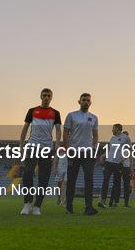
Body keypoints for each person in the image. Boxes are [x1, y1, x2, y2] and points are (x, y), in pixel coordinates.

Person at [19, 88, 61, 216]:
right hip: (32, 146)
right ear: (40, 96)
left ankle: (37, 206)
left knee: (44, 177)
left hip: (46, 148)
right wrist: (21, 145)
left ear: (51, 98)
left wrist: (57, 147)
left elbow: (58, 131)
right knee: (28, 172)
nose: (46, 97)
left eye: (49, 95)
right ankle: (27, 203)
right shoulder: (32, 111)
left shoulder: (55, 113)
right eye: (44, 95)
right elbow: (25, 128)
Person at [63, 93, 99, 216]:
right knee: (72, 180)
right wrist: (67, 149)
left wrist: (94, 148)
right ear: (79, 101)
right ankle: (69, 207)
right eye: (83, 100)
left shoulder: (94, 117)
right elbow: (66, 133)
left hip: (88, 153)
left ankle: (88, 208)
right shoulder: (72, 115)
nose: (86, 102)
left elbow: (95, 134)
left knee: (89, 179)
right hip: (74, 151)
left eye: (88, 100)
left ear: (90, 103)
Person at [99, 124, 131, 209]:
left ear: (117, 129)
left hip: (118, 163)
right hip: (108, 162)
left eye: (113, 128)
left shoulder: (126, 138)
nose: (112, 130)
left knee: (116, 183)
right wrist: (103, 156)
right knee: (105, 180)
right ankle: (103, 201)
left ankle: (115, 202)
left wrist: (124, 157)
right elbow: (110, 150)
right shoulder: (112, 138)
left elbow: (129, 149)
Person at [109, 130, 133, 208]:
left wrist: (131, 167)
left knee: (126, 185)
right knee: (116, 184)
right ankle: (113, 202)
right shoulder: (118, 144)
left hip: (126, 166)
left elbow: (130, 156)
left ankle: (126, 203)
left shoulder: (128, 145)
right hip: (118, 165)